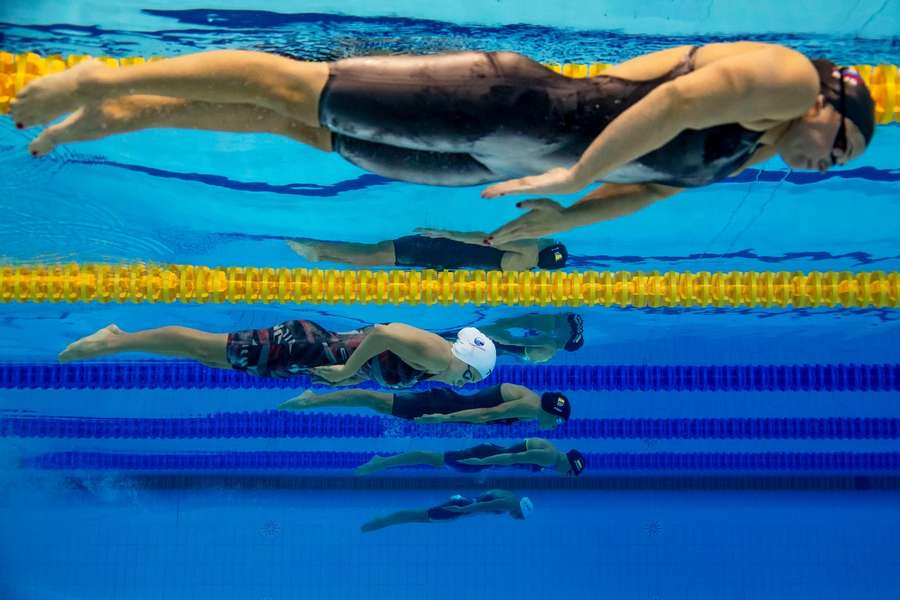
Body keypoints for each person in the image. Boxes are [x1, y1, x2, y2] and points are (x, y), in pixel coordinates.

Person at [12, 43, 874, 241]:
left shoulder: (755, 149)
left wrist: (552, 221)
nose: (823, 166)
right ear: (832, 102)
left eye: (836, 169)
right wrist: (579, 170)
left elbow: (654, 187)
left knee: (306, 130)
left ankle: (131, 116)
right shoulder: (790, 78)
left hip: (496, 165)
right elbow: (675, 105)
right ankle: (100, 80)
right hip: (509, 105)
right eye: (837, 147)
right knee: (293, 86)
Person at [58, 321, 495, 388]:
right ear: (466, 360)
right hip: (305, 346)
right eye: (472, 376)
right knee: (208, 347)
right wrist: (346, 369)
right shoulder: (438, 356)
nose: (465, 384)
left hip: (307, 352)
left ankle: (119, 341)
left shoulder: (436, 366)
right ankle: (114, 339)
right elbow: (381, 332)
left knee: (212, 357)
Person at [279, 383, 572, 429]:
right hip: (442, 406)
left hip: (447, 401)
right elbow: (485, 414)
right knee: (373, 401)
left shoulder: (532, 399)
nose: (555, 427)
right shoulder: (528, 408)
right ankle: (311, 400)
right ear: (548, 412)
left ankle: (314, 399)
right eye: (557, 422)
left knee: (376, 403)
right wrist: (442, 420)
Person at [287, 228, 568, 271]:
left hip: (442, 248)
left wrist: (443, 232)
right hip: (446, 263)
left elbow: (485, 239)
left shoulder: (528, 247)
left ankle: (318, 249)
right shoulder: (526, 267)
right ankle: (322, 254)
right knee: (380, 258)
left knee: (377, 252)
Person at [354, 438, 586, 477]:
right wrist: (481, 463)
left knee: (434, 460)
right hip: (485, 457)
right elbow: (512, 457)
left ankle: (383, 462)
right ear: (569, 462)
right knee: (431, 458)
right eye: (569, 473)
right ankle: (381, 462)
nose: (566, 476)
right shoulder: (550, 457)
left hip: (487, 457)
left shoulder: (552, 457)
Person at [360, 489, 532, 532]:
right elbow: (482, 506)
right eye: (520, 517)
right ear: (521, 511)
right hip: (460, 509)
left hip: (463, 502)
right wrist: (460, 508)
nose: (516, 518)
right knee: (415, 516)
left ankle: (381, 521)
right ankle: (377, 524)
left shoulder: (509, 495)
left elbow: (484, 497)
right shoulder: (509, 504)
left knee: (416, 515)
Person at [438, 312, 583, 363]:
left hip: (499, 343)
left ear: (567, 337)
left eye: (567, 323)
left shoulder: (549, 343)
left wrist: (498, 331)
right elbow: (522, 356)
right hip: (501, 350)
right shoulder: (549, 352)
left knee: (453, 335)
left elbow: (515, 342)